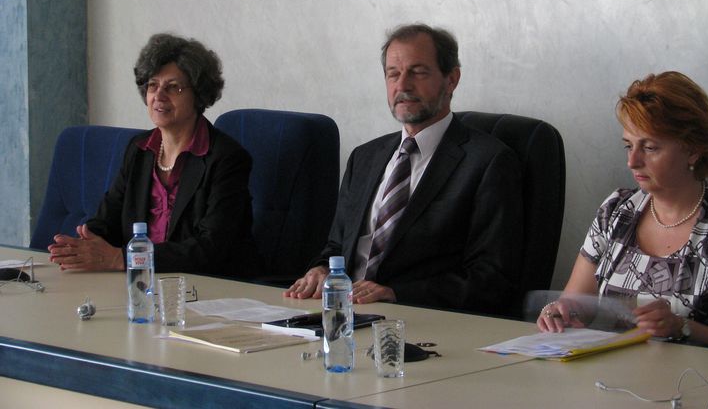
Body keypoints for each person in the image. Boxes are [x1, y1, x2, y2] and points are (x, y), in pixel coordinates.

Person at [284, 24, 523, 314]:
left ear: (451, 80)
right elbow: (336, 246)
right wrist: (321, 270)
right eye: (393, 74)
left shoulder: (488, 162)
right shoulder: (364, 157)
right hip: (342, 315)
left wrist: (396, 294)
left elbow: (492, 278)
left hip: (418, 319)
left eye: (418, 72)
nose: (403, 85)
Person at [537, 71, 708, 348]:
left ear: (693, 150)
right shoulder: (616, 210)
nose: (632, 161)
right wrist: (560, 312)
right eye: (629, 146)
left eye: (650, 147)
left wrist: (683, 327)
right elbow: (576, 302)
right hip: (610, 369)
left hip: (694, 374)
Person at [48, 33, 258, 278]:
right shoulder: (140, 149)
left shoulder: (226, 158)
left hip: (206, 286)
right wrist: (83, 244)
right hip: (141, 283)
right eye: (152, 85)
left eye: (173, 87)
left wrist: (123, 258)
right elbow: (108, 219)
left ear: (198, 95)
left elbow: (210, 249)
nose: (159, 96)